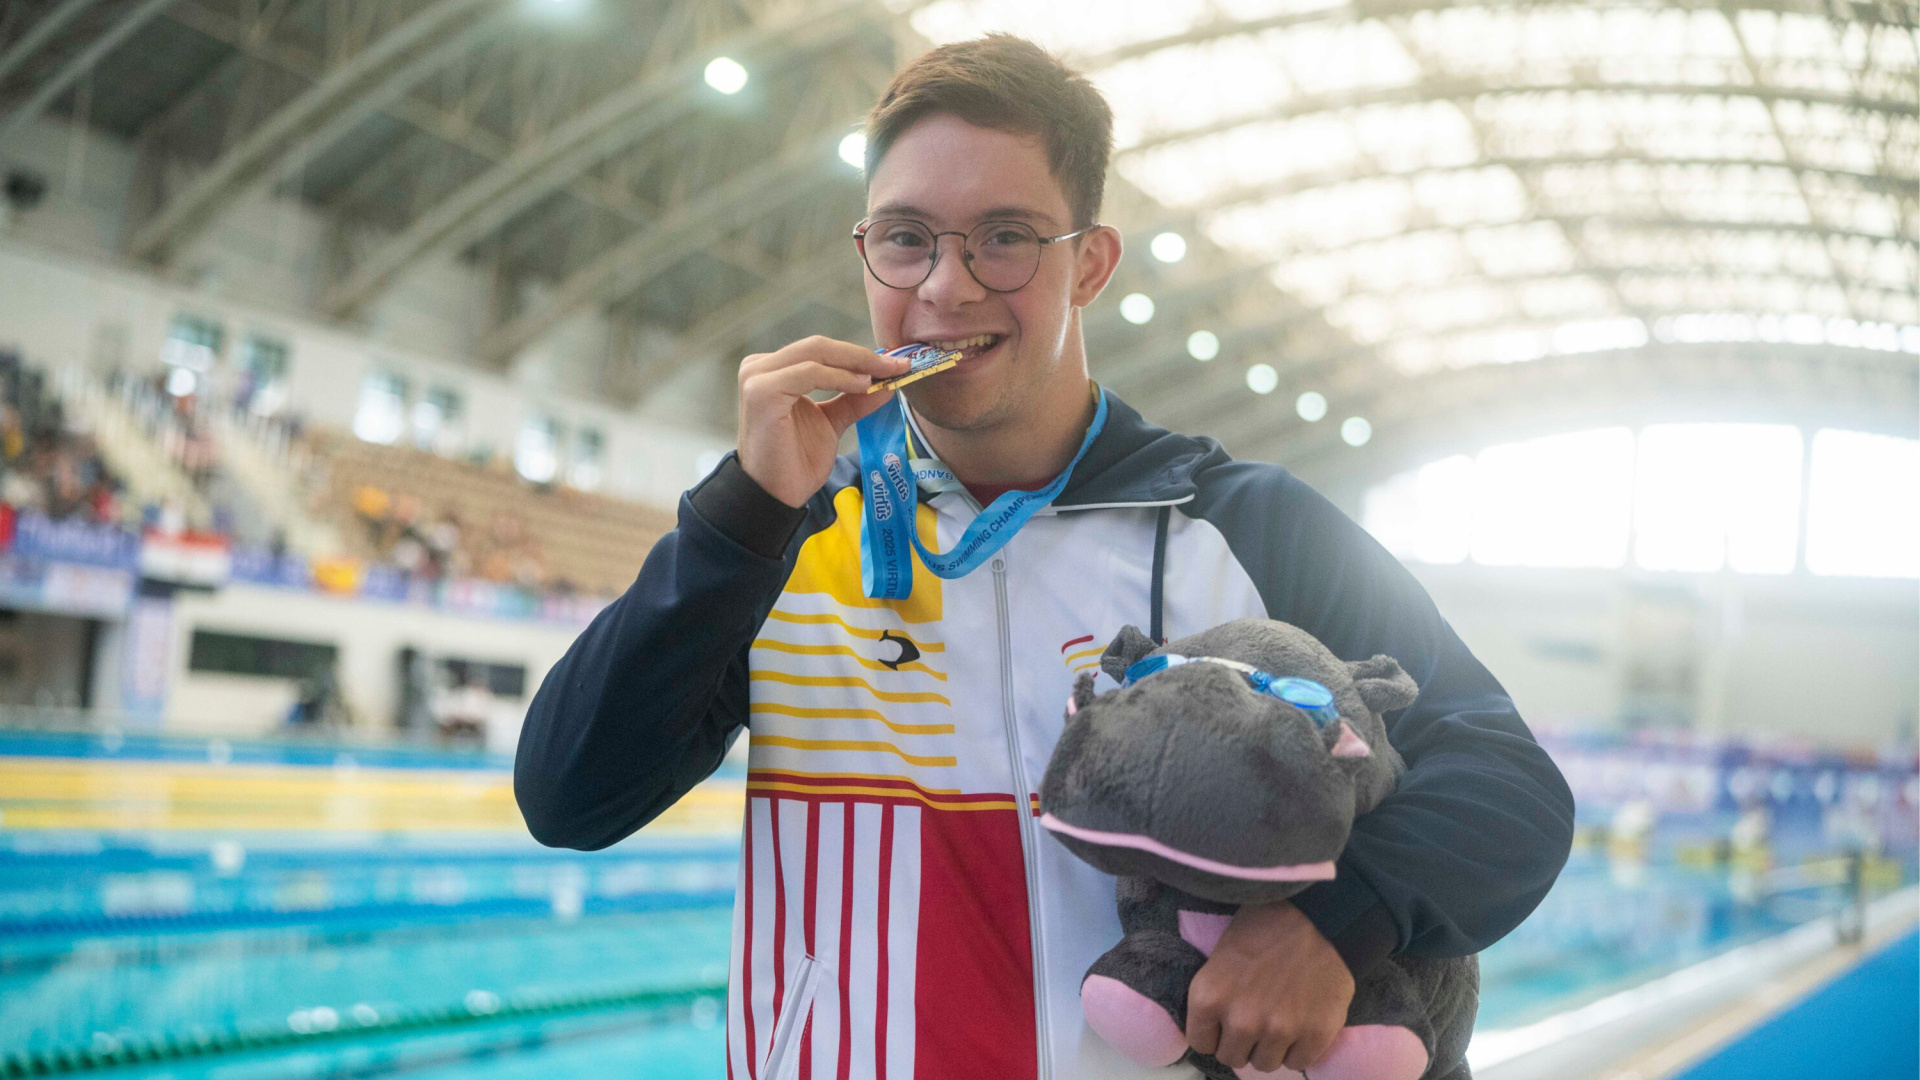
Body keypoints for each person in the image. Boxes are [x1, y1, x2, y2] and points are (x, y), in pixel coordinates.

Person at [515, 34, 1572, 1080]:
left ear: (1092, 265)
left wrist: (1339, 925)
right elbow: (570, 798)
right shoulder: (783, 534)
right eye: (906, 237)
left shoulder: (1248, 526)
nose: (947, 286)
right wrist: (741, 514)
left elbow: (1508, 782)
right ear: (866, 252)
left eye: (1006, 238)